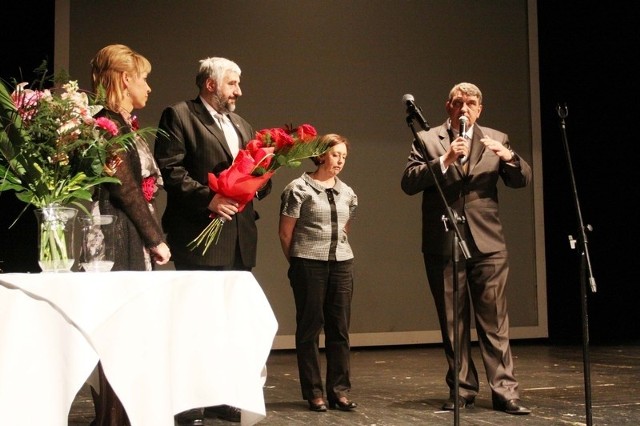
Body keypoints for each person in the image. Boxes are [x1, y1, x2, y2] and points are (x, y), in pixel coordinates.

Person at [400, 82, 532, 415]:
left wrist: (510, 158)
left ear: (479, 109)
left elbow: (521, 179)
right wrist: (444, 159)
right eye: (458, 102)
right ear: (448, 106)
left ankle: (505, 391)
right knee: (453, 321)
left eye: (470, 103)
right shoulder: (428, 139)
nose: (464, 108)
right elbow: (409, 181)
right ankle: (462, 389)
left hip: (488, 243)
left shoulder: (496, 139)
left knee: (494, 321)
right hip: (444, 240)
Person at [154, 56, 271, 425]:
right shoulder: (180, 116)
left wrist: (262, 181)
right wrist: (210, 197)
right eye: (233, 83)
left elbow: (256, 174)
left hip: (238, 237)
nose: (240, 90)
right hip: (198, 236)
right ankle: (188, 403)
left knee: (228, 325)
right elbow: (170, 171)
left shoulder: (242, 123)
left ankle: (221, 396)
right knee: (195, 323)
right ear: (210, 85)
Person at [89, 44, 171, 425]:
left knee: (130, 335)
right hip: (118, 238)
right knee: (120, 334)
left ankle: (122, 416)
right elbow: (125, 188)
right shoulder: (106, 124)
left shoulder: (121, 124)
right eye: (145, 79)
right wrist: (156, 238)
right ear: (126, 79)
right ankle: (114, 419)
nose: (149, 88)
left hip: (127, 237)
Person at [278, 134, 358, 413]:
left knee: (340, 329)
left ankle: (339, 391)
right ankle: (314, 392)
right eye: (336, 155)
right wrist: (298, 264)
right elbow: (286, 233)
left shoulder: (347, 192)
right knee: (310, 328)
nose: (340, 161)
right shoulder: (298, 188)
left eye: (344, 157)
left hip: (341, 264)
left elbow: (345, 228)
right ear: (322, 154)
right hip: (308, 264)